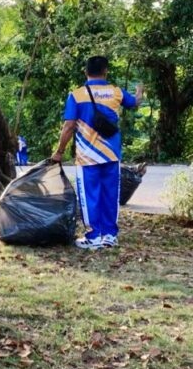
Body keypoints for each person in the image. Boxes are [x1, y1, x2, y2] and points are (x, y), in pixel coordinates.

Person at [51, 56, 142, 249]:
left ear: (86, 72)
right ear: (106, 71)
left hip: (87, 157)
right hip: (111, 155)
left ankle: (93, 237)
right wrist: (140, 91)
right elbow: (135, 103)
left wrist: (59, 151)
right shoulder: (116, 92)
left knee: (90, 195)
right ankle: (109, 236)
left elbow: (68, 126)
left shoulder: (76, 95)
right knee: (110, 195)